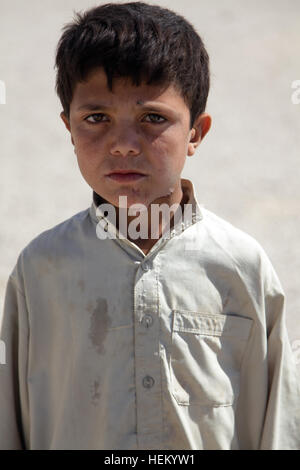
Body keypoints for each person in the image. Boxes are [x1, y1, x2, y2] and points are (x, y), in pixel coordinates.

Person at [0, 1, 299, 450]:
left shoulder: (241, 266)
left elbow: (278, 421)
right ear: (68, 127)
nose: (122, 145)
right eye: (96, 118)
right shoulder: (40, 269)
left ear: (196, 133)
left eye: (153, 119)